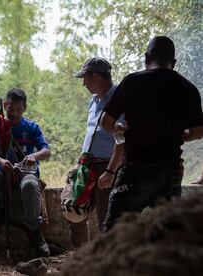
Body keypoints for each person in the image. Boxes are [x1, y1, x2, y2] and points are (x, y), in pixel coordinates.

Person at [101, 36, 203, 232]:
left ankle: (116, 263)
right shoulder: (189, 89)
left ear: (147, 58)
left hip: (136, 172)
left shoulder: (132, 82)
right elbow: (199, 131)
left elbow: (106, 122)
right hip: (171, 175)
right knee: (168, 235)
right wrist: (182, 135)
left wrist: (119, 131)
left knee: (115, 233)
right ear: (173, 63)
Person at [0, 88, 51, 257]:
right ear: (5, 105)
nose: (14, 113)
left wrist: (33, 156)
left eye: (18, 109)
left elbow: (46, 151)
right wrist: (1, 161)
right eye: (10, 109)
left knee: (31, 184)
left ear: (24, 108)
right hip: (2, 172)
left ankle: (34, 231)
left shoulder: (32, 127)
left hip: (26, 173)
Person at [67, 57, 124, 247]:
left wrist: (111, 171)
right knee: (74, 209)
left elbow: (122, 139)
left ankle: (107, 264)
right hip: (87, 164)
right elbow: (91, 133)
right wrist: (80, 160)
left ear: (97, 77)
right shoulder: (93, 101)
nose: (83, 83)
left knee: (107, 218)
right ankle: (82, 256)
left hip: (108, 166)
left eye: (85, 78)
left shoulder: (120, 99)